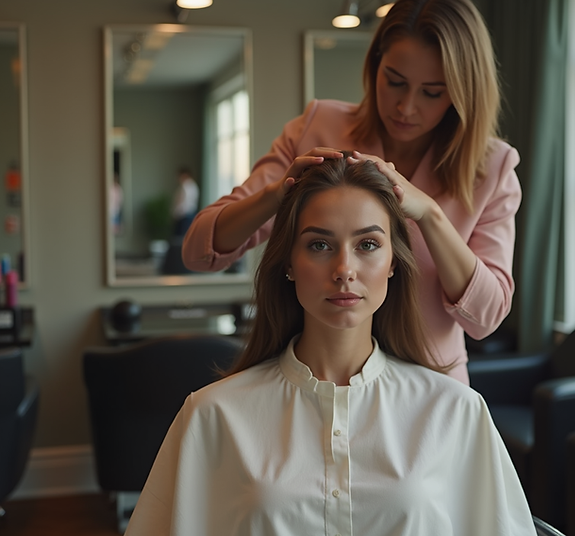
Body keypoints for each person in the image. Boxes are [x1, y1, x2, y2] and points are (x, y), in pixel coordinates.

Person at [126, 157, 535, 535]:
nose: (344, 271)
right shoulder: (213, 415)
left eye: (368, 245)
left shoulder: (455, 411)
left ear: (394, 261)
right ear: (288, 262)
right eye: (319, 245)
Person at [182, 0, 520, 384]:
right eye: (394, 81)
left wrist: (430, 214)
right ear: (375, 64)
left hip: (428, 388)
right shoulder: (316, 127)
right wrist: (277, 195)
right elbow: (199, 253)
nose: (406, 107)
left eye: (432, 92)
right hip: (312, 380)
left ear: (463, 92)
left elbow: (486, 317)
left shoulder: (492, 167)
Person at [170, 167, 199, 238]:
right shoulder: (193, 185)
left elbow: (181, 203)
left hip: (183, 216)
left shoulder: (185, 186)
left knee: (180, 239)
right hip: (190, 215)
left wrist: (175, 214)